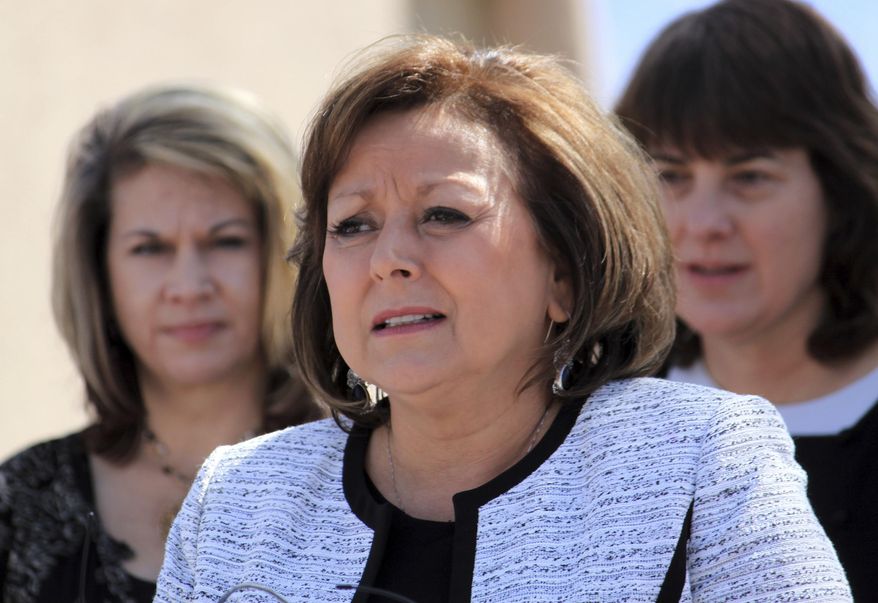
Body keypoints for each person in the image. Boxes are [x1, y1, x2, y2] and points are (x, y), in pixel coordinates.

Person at [155, 35, 851, 602]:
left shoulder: (704, 458)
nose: (389, 260)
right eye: (354, 224)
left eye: (444, 214)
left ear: (565, 272)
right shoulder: (235, 498)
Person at [0, 83, 324, 603]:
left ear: (285, 256)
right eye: (149, 248)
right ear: (99, 275)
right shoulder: (19, 503)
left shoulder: (381, 480)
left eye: (227, 241)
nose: (189, 287)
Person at [615, 0, 878, 598]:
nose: (704, 223)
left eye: (750, 177)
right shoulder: (594, 415)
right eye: (672, 176)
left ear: (840, 191)